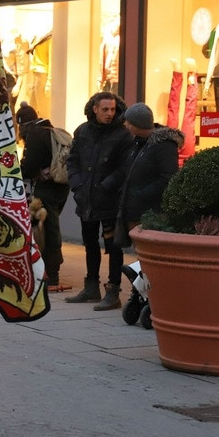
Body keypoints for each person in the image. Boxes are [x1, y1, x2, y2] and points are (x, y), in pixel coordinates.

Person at [65, 91, 133, 311]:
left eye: (112, 109)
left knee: (114, 246)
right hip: (86, 198)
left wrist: (106, 186)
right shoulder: (83, 131)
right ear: (95, 109)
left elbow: (124, 168)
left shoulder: (122, 135)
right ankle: (91, 286)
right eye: (105, 109)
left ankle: (113, 291)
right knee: (90, 244)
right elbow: (72, 159)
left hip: (109, 201)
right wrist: (77, 184)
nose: (109, 113)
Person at [16, 103, 71, 293]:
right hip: (61, 188)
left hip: (46, 191)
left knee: (47, 230)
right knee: (50, 228)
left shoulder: (35, 135)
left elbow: (29, 167)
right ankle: (50, 269)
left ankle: (52, 273)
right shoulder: (51, 130)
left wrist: (22, 170)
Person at [114, 103, 183, 248]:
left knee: (147, 252)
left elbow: (168, 178)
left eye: (128, 121)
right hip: (133, 209)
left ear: (138, 123)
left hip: (149, 211)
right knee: (138, 251)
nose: (125, 124)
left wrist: (141, 194)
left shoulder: (164, 145)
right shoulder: (138, 143)